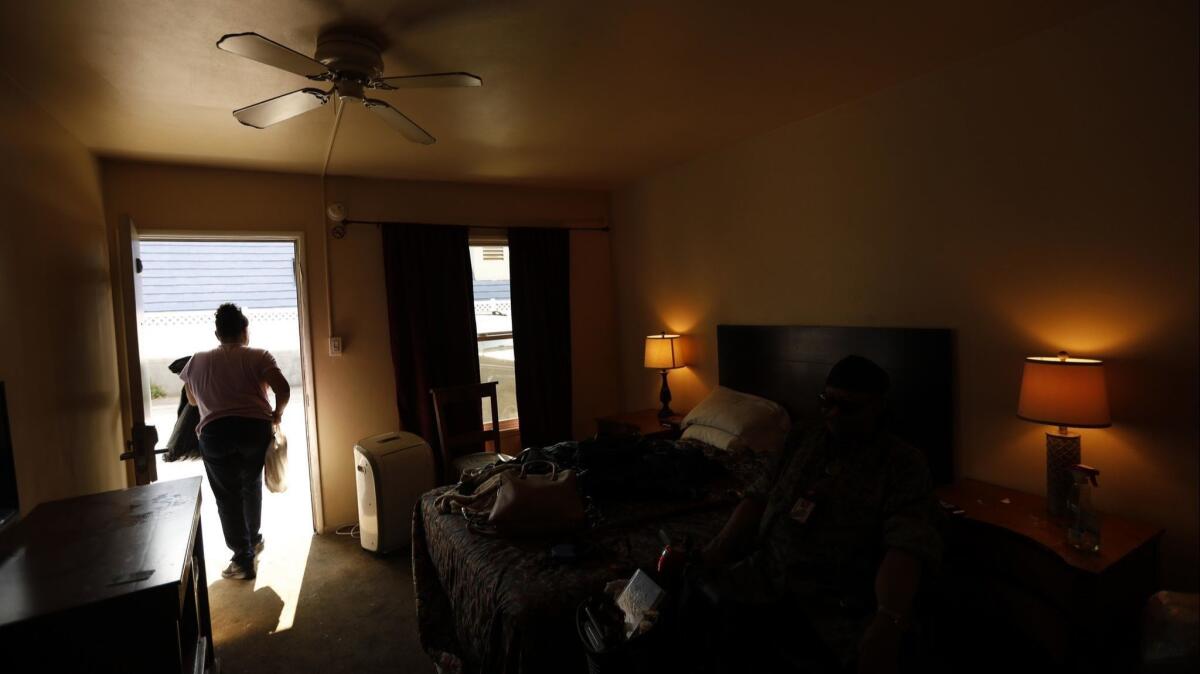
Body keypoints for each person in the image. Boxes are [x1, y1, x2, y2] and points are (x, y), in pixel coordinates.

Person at [698, 355, 941, 674]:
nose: (834, 414)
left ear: (878, 407)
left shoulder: (901, 464)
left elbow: (906, 546)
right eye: (828, 402)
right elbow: (759, 495)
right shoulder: (802, 438)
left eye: (849, 407)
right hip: (768, 575)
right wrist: (715, 551)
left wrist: (888, 618)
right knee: (686, 594)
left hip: (834, 599)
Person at [180, 303, 290, 580]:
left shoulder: (196, 361)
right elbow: (283, 389)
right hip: (254, 430)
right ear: (245, 331)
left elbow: (192, 401)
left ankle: (242, 559)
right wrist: (276, 413)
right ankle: (253, 539)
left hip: (215, 434)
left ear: (217, 334)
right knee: (251, 483)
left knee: (227, 495)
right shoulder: (258, 356)